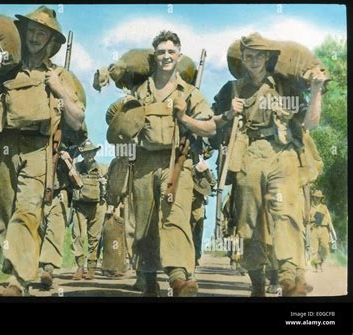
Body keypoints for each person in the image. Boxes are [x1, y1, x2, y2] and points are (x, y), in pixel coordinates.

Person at [212, 33, 327, 296]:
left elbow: (309, 124)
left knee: (285, 212)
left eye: (259, 56)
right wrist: (229, 113)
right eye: (248, 56)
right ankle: (256, 283)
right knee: (248, 220)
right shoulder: (232, 88)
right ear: (242, 59)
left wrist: (317, 90)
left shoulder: (285, 87)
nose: (253, 61)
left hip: (282, 152)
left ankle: (288, 279)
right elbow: (213, 126)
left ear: (268, 58)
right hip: (249, 154)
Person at [0, 5, 85, 296]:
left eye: (41, 33)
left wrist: (59, 89)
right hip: (4, 147)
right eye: (31, 31)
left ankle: (19, 280)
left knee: (28, 212)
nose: (34, 38)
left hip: (39, 150)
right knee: (4, 215)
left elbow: (77, 120)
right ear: (24, 33)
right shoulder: (5, 69)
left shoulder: (58, 75)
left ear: (50, 41)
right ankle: (15, 264)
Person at [129, 31, 216, 297]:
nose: (166, 56)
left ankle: (178, 278)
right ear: (154, 56)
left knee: (175, 216)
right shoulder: (140, 91)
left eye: (171, 51)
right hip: (143, 163)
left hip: (177, 162)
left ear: (179, 55)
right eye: (161, 52)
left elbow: (210, 126)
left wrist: (186, 120)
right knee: (143, 221)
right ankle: (146, 276)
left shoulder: (189, 93)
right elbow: (122, 125)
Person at [71, 139, 107, 280]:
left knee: (94, 238)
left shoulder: (102, 169)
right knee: (78, 236)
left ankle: (91, 268)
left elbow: (111, 187)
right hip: (80, 206)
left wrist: (104, 184)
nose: (89, 155)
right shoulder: (76, 168)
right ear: (82, 154)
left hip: (97, 206)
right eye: (86, 153)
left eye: (91, 152)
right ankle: (80, 267)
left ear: (95, 153)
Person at [309, 190, 334, 272]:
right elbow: (308, 220)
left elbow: (329, 219)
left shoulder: (324, 207)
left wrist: (331, 230)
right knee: (314, 249)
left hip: (324, 229)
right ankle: (317, 266)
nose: (316, 199)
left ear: (320, 199)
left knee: (325, 247)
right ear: (313, 198)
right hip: (314, 229)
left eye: (318, 198)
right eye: (315, 197)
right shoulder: (310, 208)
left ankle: (321, 262)